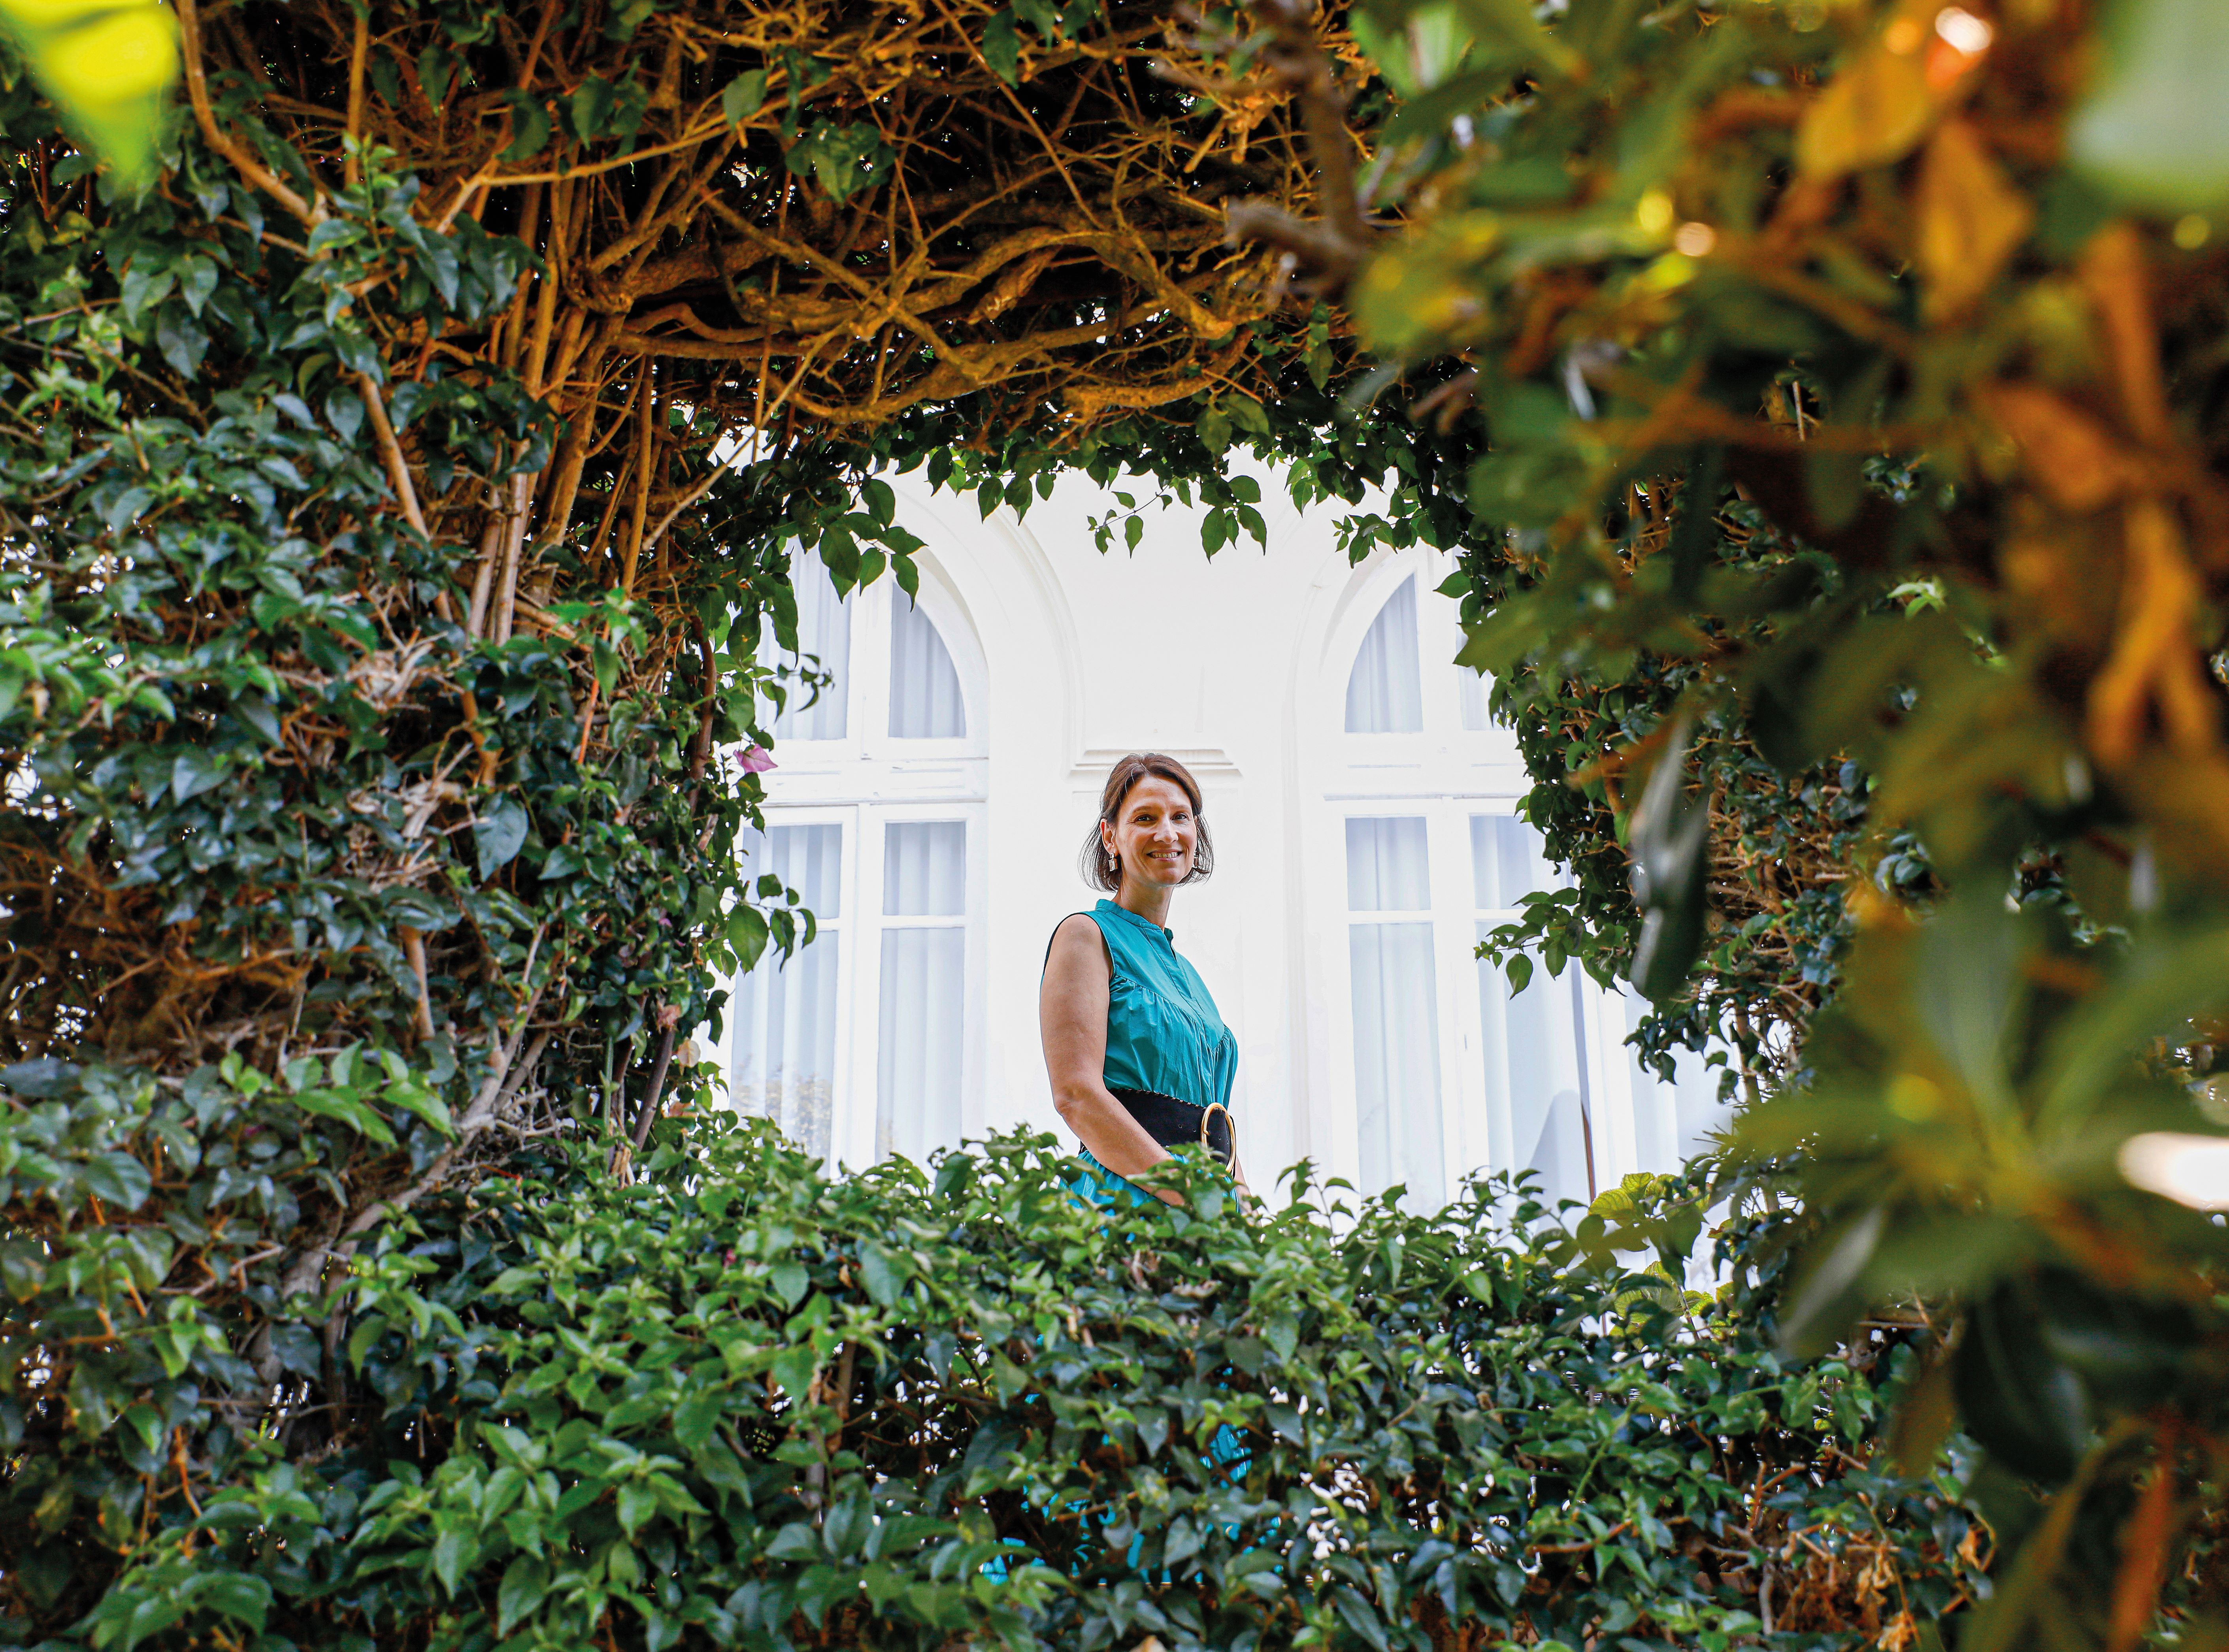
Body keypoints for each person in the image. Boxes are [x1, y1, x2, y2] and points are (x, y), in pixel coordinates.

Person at [1039, 752, 1251, 1208]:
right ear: (1110, 835)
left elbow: (1215, 1128)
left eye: (1181, 816)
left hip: (1205, 1211)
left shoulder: (1192, 979)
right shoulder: (1086, 936)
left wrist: (1243, 1213)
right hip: (1123, 1200)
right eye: (1145, 817)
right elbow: (1077, 1095)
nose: (1167, 832)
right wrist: (1191, 1196)